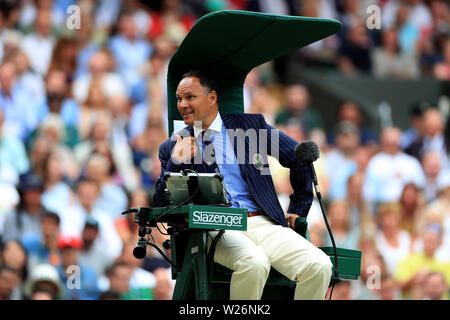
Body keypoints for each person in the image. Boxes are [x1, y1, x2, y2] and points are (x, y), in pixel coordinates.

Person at [153, 70, 332, 300]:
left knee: (319, 265)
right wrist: (175, 162)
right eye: (179, 99)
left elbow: (299, 156)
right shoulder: (173, 145)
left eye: (190, 97)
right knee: (253, 262)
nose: (182, 104)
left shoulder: (250, 126)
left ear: (212, 97)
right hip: (217, 227)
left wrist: (299, 206)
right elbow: (160, 204)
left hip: (263, 221)